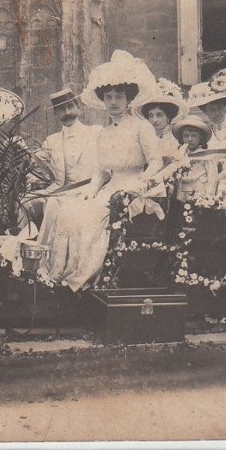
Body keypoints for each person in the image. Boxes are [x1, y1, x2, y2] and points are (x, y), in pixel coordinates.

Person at [58, 50, 164, 291]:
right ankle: (68, 272)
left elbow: (156, 162)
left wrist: (143, 181)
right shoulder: (103, 133)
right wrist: (90, 191)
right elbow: (101, 172)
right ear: (103, 100)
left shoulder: (142, 127)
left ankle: (89, 277)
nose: (113, 102)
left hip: (135, 187)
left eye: (118, 96)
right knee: (71, 213)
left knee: (94, 219)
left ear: (128, 99)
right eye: (108, 97)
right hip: (111, 187)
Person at [28, 88, 101, 280]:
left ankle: (65, 268)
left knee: (59, 207)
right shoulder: (52, 141)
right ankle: (33, 256)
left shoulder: (95, 133)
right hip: (62, 189)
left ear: (79, 107)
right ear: (55, 113)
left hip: (88, 189)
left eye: (70, 106)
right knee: (29, 201)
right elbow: (37, 163)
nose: (67, 113)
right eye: (61, 109)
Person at [187, 67, 226, 160]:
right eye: (212, 110)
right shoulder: (202, 133)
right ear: (205, 111)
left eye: (219, 108)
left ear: (225, 106)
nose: (217, 113)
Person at [132, 78, 188, 160]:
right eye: (151, 115)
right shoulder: (143, 138)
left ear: (168, 117)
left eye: (159, 115)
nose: (154, 120)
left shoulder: (177, 139)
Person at [170, 115, 217, 200]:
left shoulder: (206, 155)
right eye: (186, 135)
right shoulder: (180, 154)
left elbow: (212, 177)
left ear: (200, 138)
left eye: (194, 136)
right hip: (183, 194)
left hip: (200, 194)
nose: (190, 139)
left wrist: (208, 196)